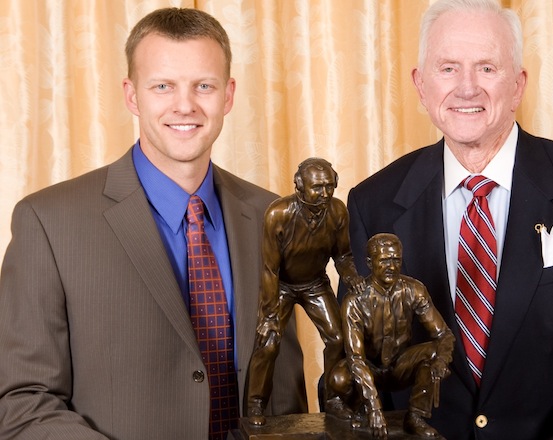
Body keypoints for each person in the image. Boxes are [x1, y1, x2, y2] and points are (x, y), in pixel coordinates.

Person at [341, 0, 553, 439]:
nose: (467, 88)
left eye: (487, 68)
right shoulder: (371, 204)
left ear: (518, 85)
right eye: (447, 68)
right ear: (420, 85)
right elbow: (362, 362)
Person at [0, 8, 306, 440]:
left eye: (204, 85)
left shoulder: (273, 215)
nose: (186, 105)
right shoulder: (48, 222)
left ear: (229, 95)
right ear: (132, 96)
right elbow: (23, 404)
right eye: (163, 86)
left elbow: (284, 391)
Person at [245, 157, 364, 425]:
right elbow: (269, 270)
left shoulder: (337, 212)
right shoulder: (278, 214)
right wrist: (268, 315)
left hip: (315, 284)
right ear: (299, 186)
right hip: (282, 287)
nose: (324, 194)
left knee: (338, 339)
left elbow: (343, 256)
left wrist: (352, 276)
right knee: (269, 342)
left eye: (328, 186)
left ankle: (333, 400)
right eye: (317, 188)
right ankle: (255, 404)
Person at [329, 233, 454, 439]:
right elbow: (356, 358)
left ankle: (416, 417)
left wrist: (442, 360)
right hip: (370, 368)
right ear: (370, 263)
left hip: (400, 366)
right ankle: (357, 410)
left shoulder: (414, 290)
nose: (392, 266)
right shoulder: (354, 300)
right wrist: (375, 409)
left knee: (433, 353)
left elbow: (444, 334)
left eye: (396, 260)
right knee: (339, 378)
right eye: (385, 260)